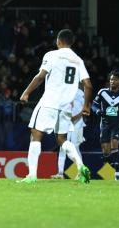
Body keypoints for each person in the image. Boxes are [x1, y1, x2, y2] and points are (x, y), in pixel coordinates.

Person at [19, 29, 92, 184]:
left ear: (58, 41)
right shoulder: (78, 60)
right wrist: (86, 106)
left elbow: (40, 77)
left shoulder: (52, 55)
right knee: (62, 139)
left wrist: (26, 92)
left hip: (49, 102)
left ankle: (32, 175)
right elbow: (88, 85)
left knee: (36, 134)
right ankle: (81, 166)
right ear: (71, 43)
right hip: (66, 106)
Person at [92, 72, 119, 180]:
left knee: (114, 144)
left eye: (114, 79)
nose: (112, 81)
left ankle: (117, 173)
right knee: (105, 151)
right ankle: (117, 166)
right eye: (111, 79)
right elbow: (94, 105)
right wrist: (97, 111)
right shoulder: (102, 92)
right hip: (105, 123)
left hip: (117, 123)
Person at [51, 88, 86, 179]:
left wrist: (75, 118)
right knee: (62, 148)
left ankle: (81, 172)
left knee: (76, 147)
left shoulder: (80, 92)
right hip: (65, 122)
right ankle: (60, 173)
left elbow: (85, 108)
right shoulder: (63, 90)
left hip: (78, 124)